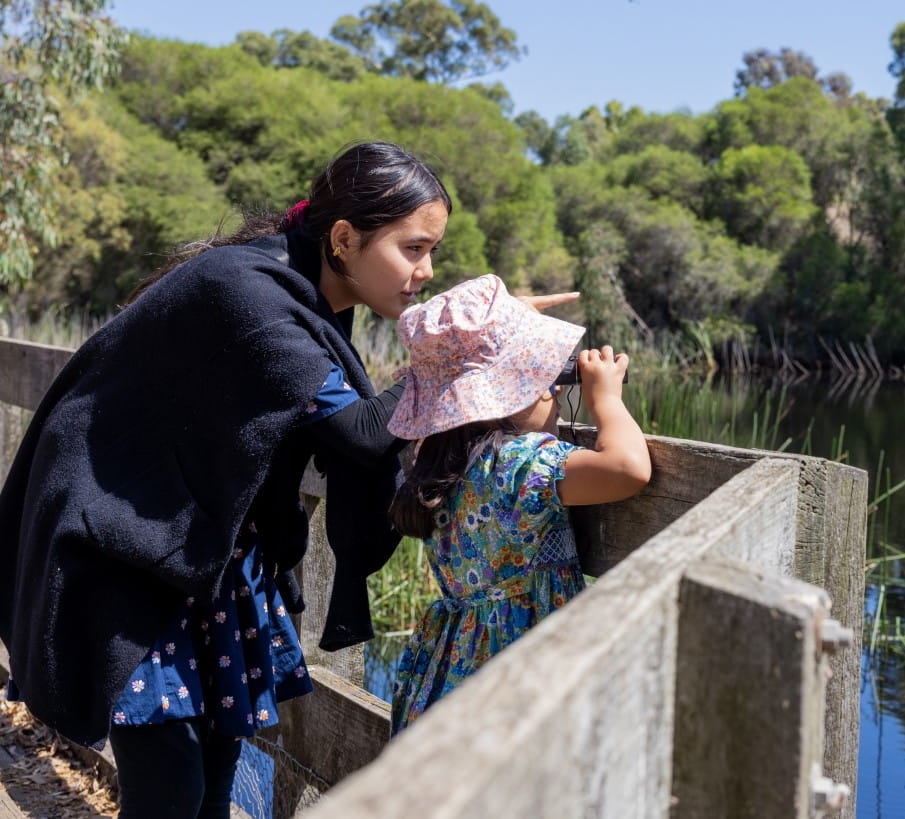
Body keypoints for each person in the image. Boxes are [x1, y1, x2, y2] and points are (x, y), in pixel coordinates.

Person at [0, 141, 574, 818]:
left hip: (198, 552)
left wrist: (474, 343)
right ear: (342, 237)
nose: (426, 272)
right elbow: (361, 431)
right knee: (170, 788)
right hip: (125, 548)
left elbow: (332, 424)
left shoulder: (308, 292)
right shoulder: (250, 293)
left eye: (433, 252)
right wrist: (467, 346)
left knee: (215, 773)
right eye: (414, 248)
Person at [385, 275, 650, 734]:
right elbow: (628, 468)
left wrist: (507, 321)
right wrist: (605, 400)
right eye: (545, 383)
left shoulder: (439, 461)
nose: (556, 400)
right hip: (520, 666)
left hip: (455, 659)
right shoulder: (519, 464)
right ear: (502, 399)